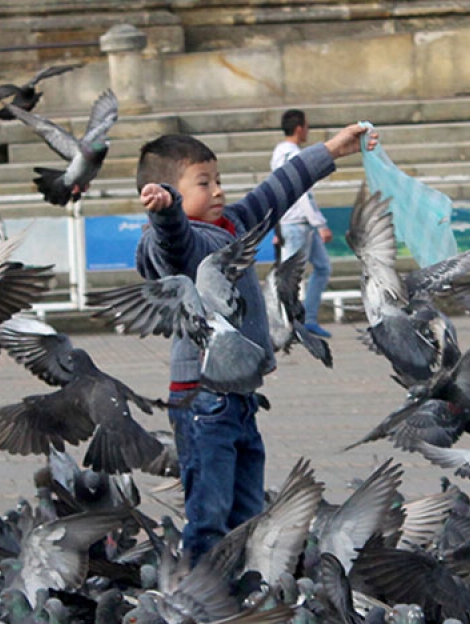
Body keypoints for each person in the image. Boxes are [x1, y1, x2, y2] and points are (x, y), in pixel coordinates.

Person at [134, 122, 376, 562]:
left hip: (242, 399)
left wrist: (330, 152)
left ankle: (243, 585)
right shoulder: (186, 242)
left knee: (248, 509)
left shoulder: (235, 226)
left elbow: (276, 191)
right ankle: (201, 592)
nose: (218, 190)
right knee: (208, 512)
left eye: (218, 180)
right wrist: (166, 211)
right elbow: (170, 243)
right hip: (202, 401)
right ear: (171, 190)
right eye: (203, 183)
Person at [270, 109, 334, 338]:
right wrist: (320, 224)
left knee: (322, 267)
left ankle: (307, 318)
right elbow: (301, 193)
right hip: (297, 222)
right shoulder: (291, 154)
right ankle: (288, 324)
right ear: (299, 128)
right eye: (306, 126)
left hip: (299, 223)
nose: (308, 130)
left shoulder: (281, 153)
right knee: (291, 276)